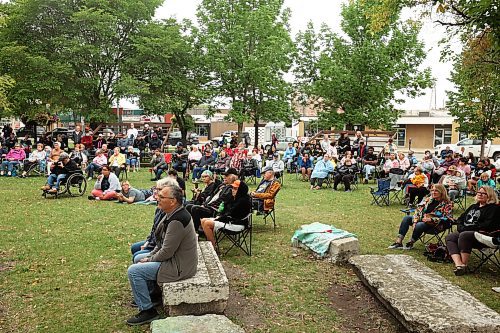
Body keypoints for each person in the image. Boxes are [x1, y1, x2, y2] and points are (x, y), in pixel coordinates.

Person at [126, 184, 198, 326]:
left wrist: (149, 259)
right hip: (175, 260)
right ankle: (153, 294)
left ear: (173, 201)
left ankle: (147, 311)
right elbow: (161, 244)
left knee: (134, 271)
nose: (157, 198)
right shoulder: (171, 213)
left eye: (161, 197)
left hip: (179, 266)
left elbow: (166, 251)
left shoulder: (177, 220)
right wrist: (148, 257)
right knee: (139, 258)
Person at [446, 186, 500, 275]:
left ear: (490, 195)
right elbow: (460, 219)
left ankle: (464, 265)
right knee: (451, 236)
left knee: (464, 235)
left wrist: (466, 229)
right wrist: (461, 227)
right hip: (466, 232)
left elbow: (488, 225)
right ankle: (459, 265)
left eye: (483, 193)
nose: (480, 194)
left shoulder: (494, 208)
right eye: (479, 192)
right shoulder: (473, 206)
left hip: (483, 236)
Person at [388, 184, 453, 250]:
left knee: (420, 225)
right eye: (432, 190)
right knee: (406, 218)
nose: (433, 192)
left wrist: (431, 219)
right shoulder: (428, 199)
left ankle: (411, 243)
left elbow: (447, 217)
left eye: (436, 191)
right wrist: (415, 221)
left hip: (436, 225)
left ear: (442, 192)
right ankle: (399, 242)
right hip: (422, 220)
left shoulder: (447, 203)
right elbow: (418, 210)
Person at [130, 178, 177, 262]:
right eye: (156, 189)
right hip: (154, 242)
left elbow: (164, 242)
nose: (156, 192)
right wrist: (147, 242)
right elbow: (154, 229)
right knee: (135, 248)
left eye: (159, 189)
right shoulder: (159, 207)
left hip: (160, 247)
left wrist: (150, 247)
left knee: (137, 257)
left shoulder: (171, 211)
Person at [201, 180, 252, 249]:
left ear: (241, 190)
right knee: (203, 220)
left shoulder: (243, 201)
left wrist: (219, 218)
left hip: (237, 224)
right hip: (228, 221)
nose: (233, 190)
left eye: (235, 189)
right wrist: (220, 216)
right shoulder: (233, 197)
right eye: (232, 188)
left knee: (207, 223)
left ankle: (212, 248)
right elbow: (224, 209)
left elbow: (232, 215)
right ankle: (212, 244)